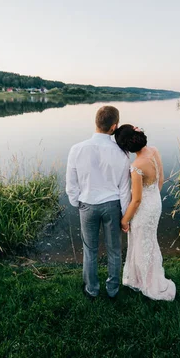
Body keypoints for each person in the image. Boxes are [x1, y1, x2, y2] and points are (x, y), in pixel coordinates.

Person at [65, 106, 131, 299]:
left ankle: (92, 289)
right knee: (114, 250)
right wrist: (126, 216)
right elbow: (124, 189)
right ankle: (113, 290)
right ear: (114, 126)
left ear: (96, 122)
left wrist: (77, 202)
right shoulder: (122, 153)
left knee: (90, 250)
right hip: (112, 205)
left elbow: (71, 182)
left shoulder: (77, 149)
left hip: (87, 205)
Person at [114, 124, 176, 301]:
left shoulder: (136, 167)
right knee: (149, 241)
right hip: (155, 203)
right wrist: (153, 197)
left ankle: (146, 282)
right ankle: (143, 276)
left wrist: (125, 220)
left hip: (143, 210)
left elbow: (136, 200)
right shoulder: (154, 151)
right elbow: (161, 179)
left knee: (141, 244)